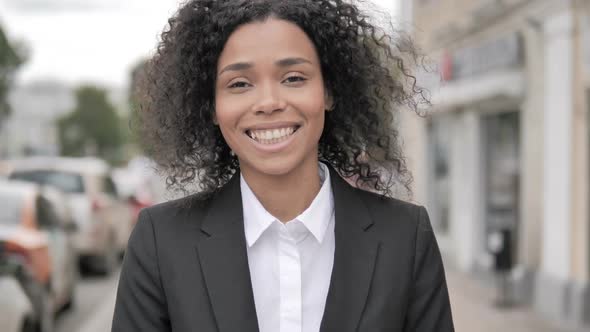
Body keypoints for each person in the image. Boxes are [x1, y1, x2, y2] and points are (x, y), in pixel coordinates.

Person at [112, 0, 454, 331]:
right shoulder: (160, 241)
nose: (269, 103)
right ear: (212, 108)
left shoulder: (406, 237)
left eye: (293, 78)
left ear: (329, 92)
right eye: (239, 84)